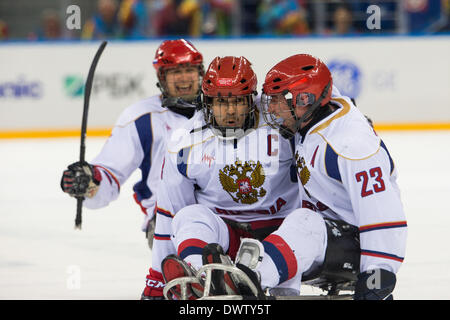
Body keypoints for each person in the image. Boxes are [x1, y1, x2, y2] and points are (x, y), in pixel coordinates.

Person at [224, 53, 407, 300]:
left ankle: (245, 281)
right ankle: (267, 283)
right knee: (289, 221)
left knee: (303, 222)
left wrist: (377, 278)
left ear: (305, 99)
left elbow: (384, 218)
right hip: (323, 235)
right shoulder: (311, 113)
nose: (273, 108)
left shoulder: (352, 146)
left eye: (279, 100)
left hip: (354, 246)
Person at [59, 38, 205, 295]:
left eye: (189, 70)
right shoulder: (141, 118)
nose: (184, 78)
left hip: (222, 213)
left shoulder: (224, 109)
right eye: (175, 72)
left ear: (200, 73)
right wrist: (90, 183)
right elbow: (110, 173)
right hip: (165, 224)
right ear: (161, 76)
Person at [151, 56, 303, 299]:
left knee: (304, 221)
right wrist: (155, 279)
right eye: (221, 102)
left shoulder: (281, 123)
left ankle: (240, 282)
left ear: (252, 100)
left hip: (280, 234)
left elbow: (319, 89)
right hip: (226, 237)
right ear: (206, 103)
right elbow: (170, 212)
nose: (230, 110)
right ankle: (202, 278)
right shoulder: (186, 142)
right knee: (188, 216)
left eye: (238, 101)